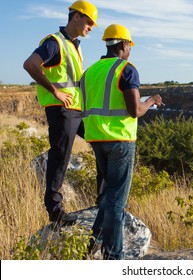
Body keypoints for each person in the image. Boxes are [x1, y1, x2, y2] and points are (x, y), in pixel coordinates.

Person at [80, 24, 162, 260]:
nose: (130, 50)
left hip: (96, 139)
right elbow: (135, 110)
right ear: (125, 44)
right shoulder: (126, 69)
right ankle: (114, 258)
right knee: (116, 202)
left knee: (108, 198)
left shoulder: (91, 71)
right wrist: (152, 101)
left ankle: (90, 246)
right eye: (130, 46)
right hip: (120, 141)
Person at [23, 1, 104, 226]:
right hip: (62, 109)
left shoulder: (75, 45)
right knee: (60, 156)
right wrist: (55, 91)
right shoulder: (54, 42)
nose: (91, 27)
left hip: (77, 109)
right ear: (76, 16)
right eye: (89, 21)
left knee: (102, 142)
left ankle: (103, 199)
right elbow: (30, 65)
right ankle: (55, 211)